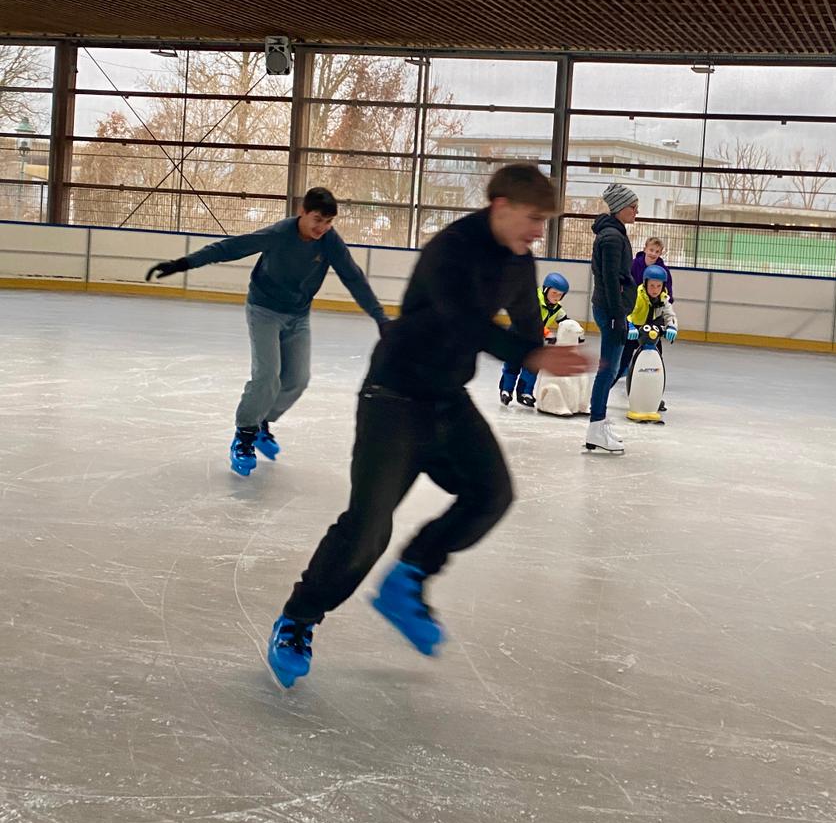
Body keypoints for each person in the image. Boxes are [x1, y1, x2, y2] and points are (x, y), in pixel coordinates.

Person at [266, 163, 590, 688]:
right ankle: (297, 621)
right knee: (368, 528)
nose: (538, 231)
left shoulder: (517, 261)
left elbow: (526, 320)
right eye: (533, 218)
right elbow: (464, 322)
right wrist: (529, 354)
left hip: (446, 400)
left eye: (544, 222)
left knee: (492, 494)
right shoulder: (451, 249)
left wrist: (541, 350)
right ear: (501, 206)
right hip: (393, 399)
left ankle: (410, 576)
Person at [144, 186, 388, 476]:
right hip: (264, 310)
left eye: (328, 222)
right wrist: (182, 264)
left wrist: (380, 318)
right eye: (317, 219)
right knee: (267, 377)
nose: (322, 227)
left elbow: (353, 278)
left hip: (298, 316)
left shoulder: (329, 242)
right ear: (302, 212)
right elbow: (230, 248)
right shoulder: (279, 234)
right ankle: (245, 435)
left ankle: (262, 422)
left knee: (297, 380)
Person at [585, 181, 638, 455]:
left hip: (612, 309)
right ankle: (595, 426)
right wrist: (618, 316)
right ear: (619, 207)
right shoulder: (612, 238)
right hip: (610, 310)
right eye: (633, 207)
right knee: (608, 369)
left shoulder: (614, 234)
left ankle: (599, 421)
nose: (636, 211)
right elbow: (609, 279)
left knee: (612, 368)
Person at [499, 271, 569, 407]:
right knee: (512, 365)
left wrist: (575, 332)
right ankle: (506, 390)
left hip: (534, 342)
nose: (557, 297)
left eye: (560, 295)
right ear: (546, 290)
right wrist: (546, 333)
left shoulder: (557, 309)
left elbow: (566, 321)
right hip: (517, 337)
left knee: (532, 367)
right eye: (554, 293)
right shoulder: (532, 301)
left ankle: (525, 393)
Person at [624, 263, 677, 413]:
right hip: (634, 330)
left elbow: (670, 315)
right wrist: (630, 326)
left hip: (652, 332)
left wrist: (672, 327)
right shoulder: (637, 295)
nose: (655, 289)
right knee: (621, 364)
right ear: (645, 284)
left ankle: (655, 398)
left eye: (658, 286)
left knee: (657, 364)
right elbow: (627, 312)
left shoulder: (663, 298)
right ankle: (603, 394)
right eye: (652, 285)